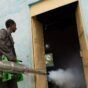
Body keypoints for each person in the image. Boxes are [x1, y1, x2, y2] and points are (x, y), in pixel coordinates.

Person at [0, 19, 18, 88]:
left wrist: (14, 58)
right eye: (15, 25)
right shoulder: (3, 32)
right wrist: (10, 56)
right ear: (11, 25)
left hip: (10, 64)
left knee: (12, 83)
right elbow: (1, 43)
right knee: (4, 84)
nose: (16, 27)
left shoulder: (10, 36)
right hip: (4, 64)